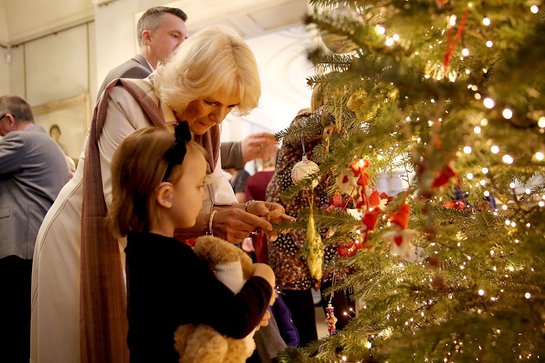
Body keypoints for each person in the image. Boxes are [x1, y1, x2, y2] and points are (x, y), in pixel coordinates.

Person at [31, 25, 291, 363]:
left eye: (229, 107)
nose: (218, 116)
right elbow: (125, 204)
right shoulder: (127, 99)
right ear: (188, 84)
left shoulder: (206, 120)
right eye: (212, 102)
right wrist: (213, 222)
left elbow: (212, 186)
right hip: (82, 236)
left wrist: (250, 210)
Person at [108, 124, 275, 362]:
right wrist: (263, 275)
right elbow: (237, 319)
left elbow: (203, 309)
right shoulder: (173, 258)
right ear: (166, 195)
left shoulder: (141, 249)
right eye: (198, 187)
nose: (203, 196)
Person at [97, 6, 277, 171]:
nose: (220, 118)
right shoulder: (132, 83)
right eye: (175, 36)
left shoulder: (202, 118)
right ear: (147, 37)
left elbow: (213, 186)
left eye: (185, 38)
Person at [265, 92, 354, 347]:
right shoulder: (302, 123)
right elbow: (304, 129)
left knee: (344, 310)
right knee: (302, 325)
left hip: (324, 234)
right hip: (288, 235)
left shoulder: (339, 143)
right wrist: (347, 106)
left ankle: (350, 352)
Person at [0, 95, 69, 363]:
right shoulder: (51, 146)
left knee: (13, 329)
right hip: (38, 246)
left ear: (9, 119)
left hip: (18, 246)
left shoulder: (21, 141)